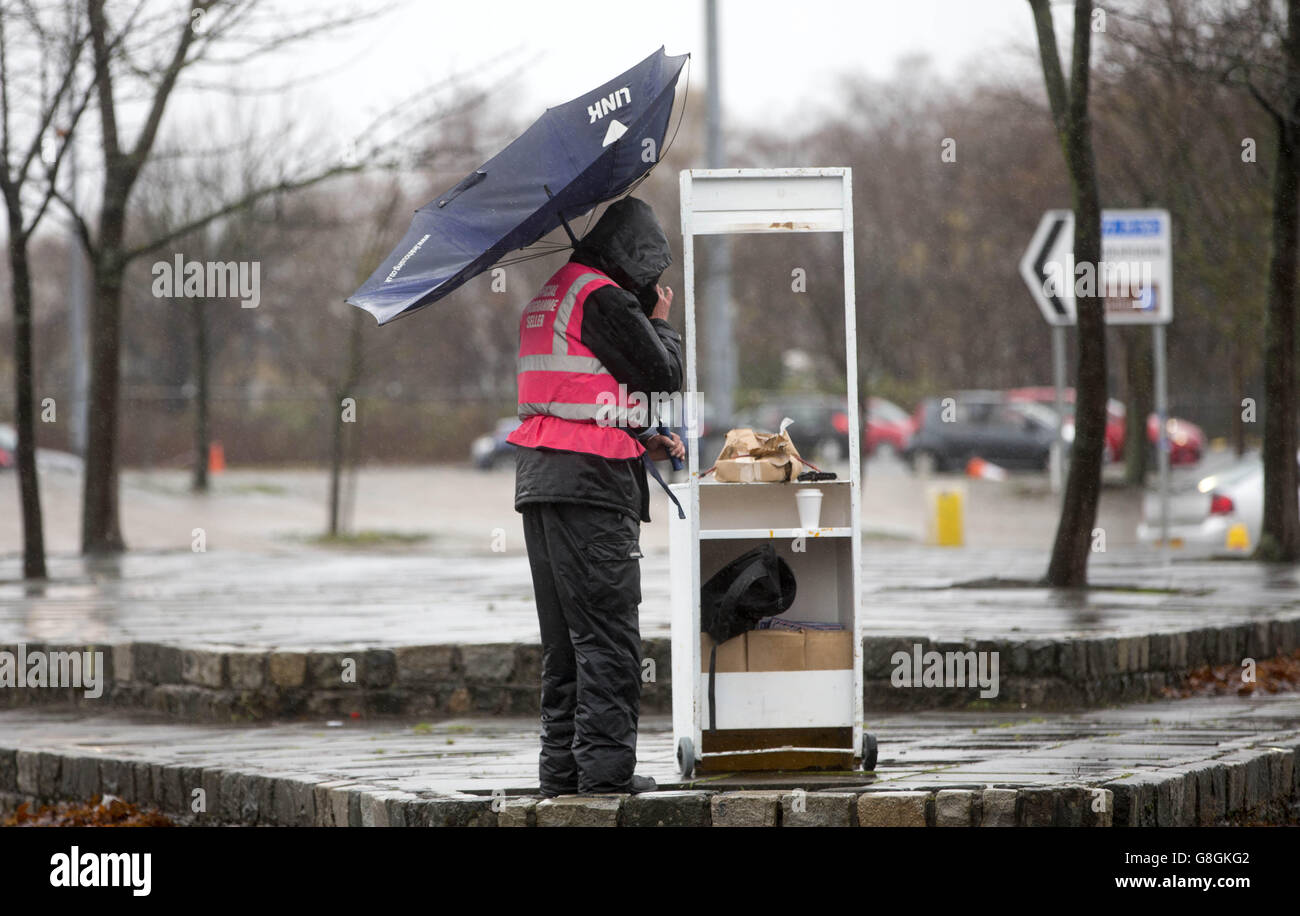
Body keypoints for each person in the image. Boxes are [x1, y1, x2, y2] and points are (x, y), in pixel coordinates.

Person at [507, 196, 685, 796]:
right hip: (590, 489)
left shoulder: (548, 297)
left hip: (542, 483)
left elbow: (576, 394)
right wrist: (660, 322)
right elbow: (662, 375)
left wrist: (641, 439)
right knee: (608, 635)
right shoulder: (599, 295)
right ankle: (606, 774)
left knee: (564, 641)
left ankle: (561, 772)